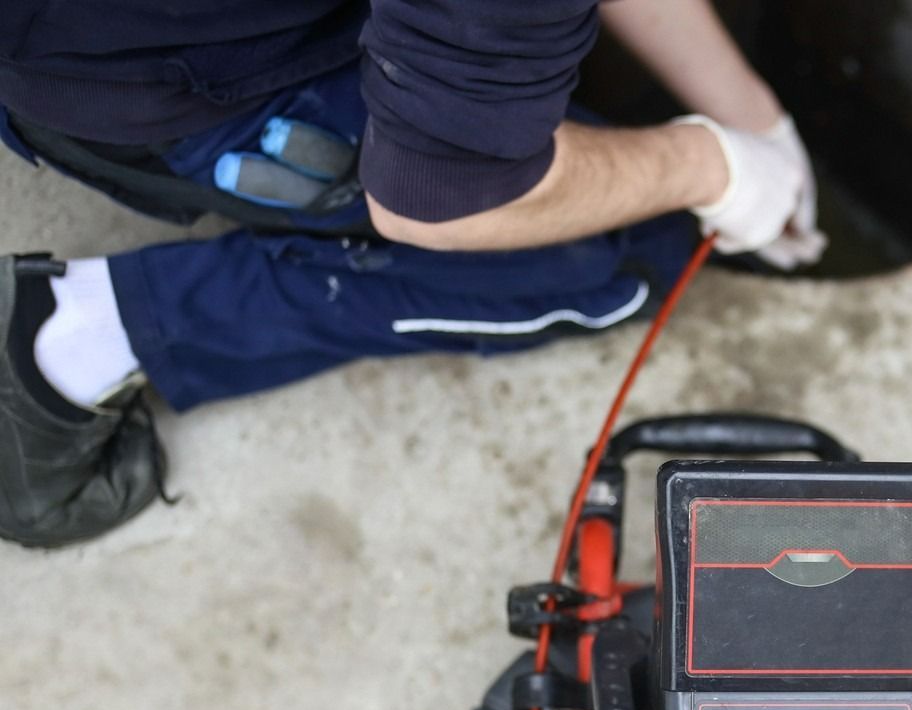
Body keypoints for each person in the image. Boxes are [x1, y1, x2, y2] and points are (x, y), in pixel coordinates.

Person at [0, 0, 825, 548]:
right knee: (634, 253)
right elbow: (440, 198)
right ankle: (71, 337)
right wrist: (708, 169)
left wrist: (750, 116)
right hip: (143, 85)